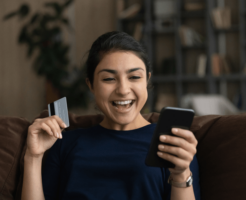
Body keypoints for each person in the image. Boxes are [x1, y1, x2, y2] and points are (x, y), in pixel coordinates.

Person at [22, 31, 200, 200]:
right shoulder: (63, 143)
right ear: (91, 85)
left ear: (147, 80)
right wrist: (33, 157)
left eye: (134, 77)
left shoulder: (171, 142)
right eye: (109, 79)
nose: (123, 90)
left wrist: (181, 174)